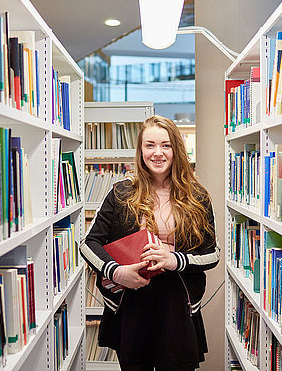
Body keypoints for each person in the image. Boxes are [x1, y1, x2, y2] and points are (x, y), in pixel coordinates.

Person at [80, 115, 220, 371]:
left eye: (166, 145)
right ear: (140, 150)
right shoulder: (121, 193)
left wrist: (173, 260)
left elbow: (212, 254)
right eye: (150, 145)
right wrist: (117, 271)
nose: (158, 153)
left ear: (176, 148)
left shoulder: (198, 197)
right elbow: (89, 244)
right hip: (132, 302)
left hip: (177, 304)